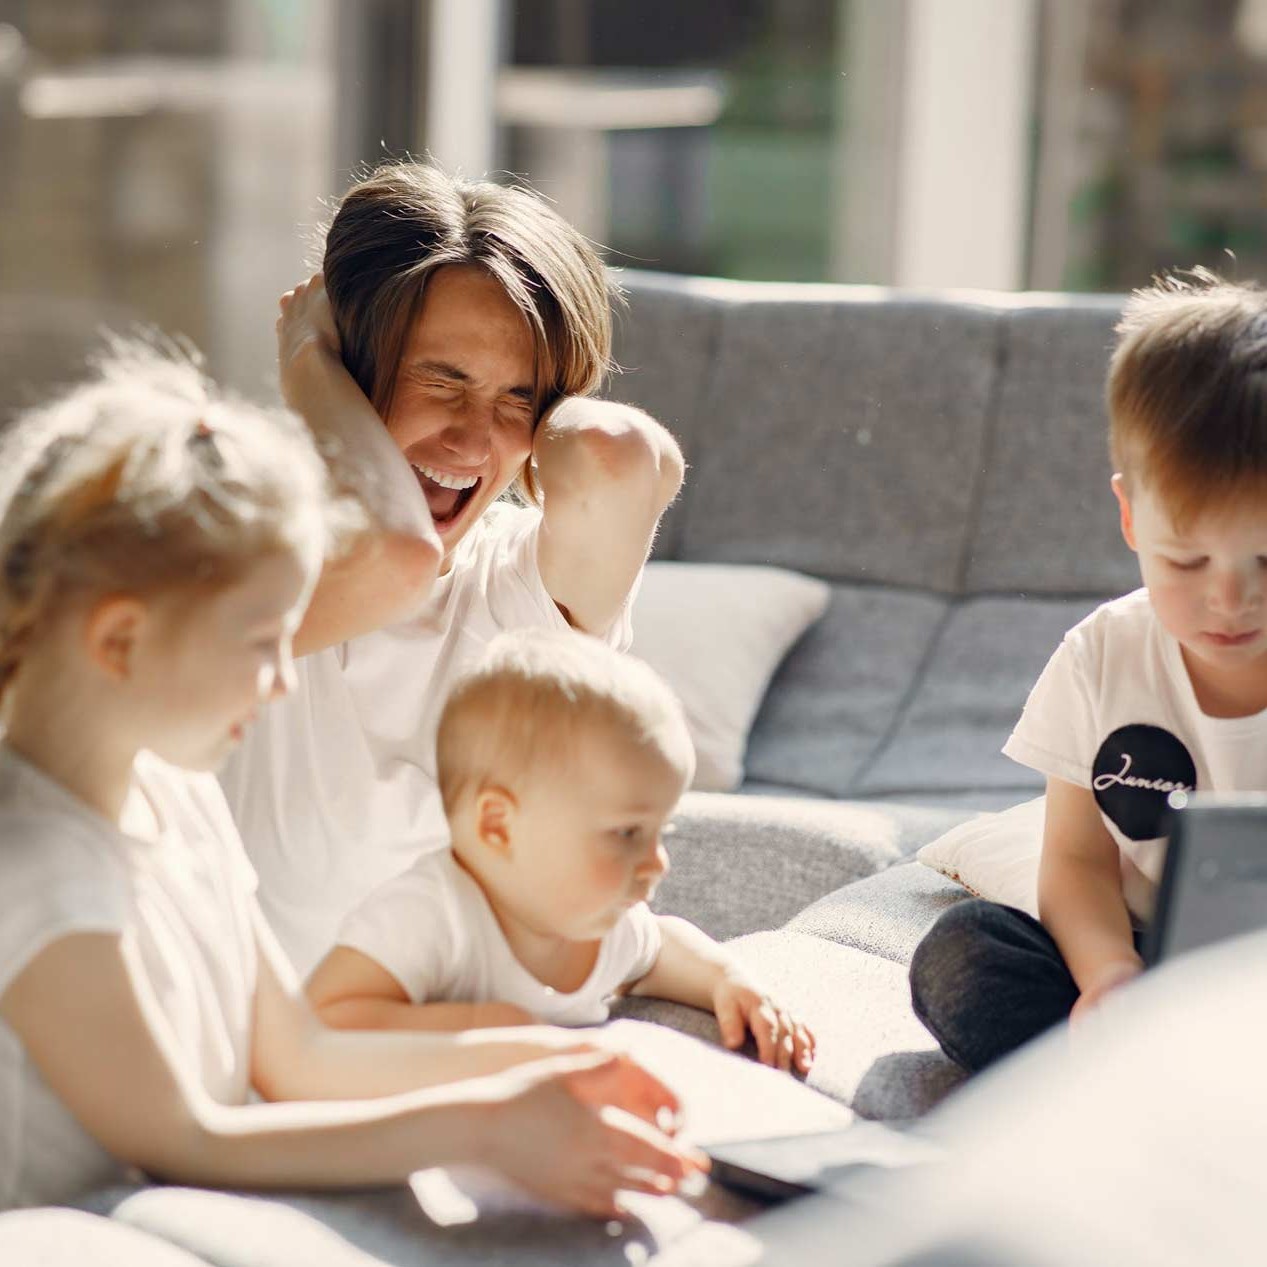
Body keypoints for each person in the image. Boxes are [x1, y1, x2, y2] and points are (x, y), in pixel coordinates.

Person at [0, 343, 704, 1215]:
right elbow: (182, 1139)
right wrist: (483, 1128)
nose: (284, 676)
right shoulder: (36, 867)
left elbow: (297, 1051)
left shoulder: (176, 795)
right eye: (263, 643)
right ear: (119, 640)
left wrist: (560, 1061)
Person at [220, 161, 686, 977]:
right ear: (350, 366)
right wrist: (308, 369)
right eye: (440, 380)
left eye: (518, 399)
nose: (474, 444)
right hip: (240, 1052)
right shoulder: (241, 552)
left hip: (425, 1057)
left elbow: (619, 458)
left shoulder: (517, 590)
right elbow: (396, 558)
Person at [909, 271, 1267, 1073]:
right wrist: (1107, 973)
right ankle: (1138, 1069)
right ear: (1130, 516)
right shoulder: (1102, 654)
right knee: (964, 960)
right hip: (1140, 953)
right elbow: (1074, 861)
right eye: (1187, 559)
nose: (1230, 598)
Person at [306, 629, 816, 1073]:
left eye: (663, 832)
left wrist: (727, 981)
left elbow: (658, 951)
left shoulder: (601, 926)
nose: (658, 862)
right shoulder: (430, 914)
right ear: (498, 825)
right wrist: (482, 1025)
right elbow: (323, 1017)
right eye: (626, 833)